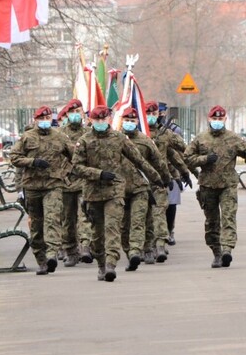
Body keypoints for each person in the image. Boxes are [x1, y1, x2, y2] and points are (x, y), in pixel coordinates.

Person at [71, 105, 163, 282]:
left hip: (114, 191)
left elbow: (138, 159)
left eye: (103, 119)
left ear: (109, 119)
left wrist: (156, 177)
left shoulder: (119, 138)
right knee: (97, 234)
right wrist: (98, 174)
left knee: (112, 228)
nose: (100, 122)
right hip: (93, 193)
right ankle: (101, 264)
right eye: (97, 119)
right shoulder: (84, 141)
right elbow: (76, 167)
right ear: (91, 120)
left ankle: (111, 265)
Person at [184, 105, 246, 268]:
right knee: (211, 222)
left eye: (220, 118)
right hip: (207, 186)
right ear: (209, 119)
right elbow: (187, 158)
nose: (217, 121)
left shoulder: (234, 139)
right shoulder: (200, 138)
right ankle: (217, 253)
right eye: (214, 118)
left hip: (228, 186)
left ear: (225, 119)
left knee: (228, 217)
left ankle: (227, 250)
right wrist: (204, 159)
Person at [8, 106, 74, 275]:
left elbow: (76, 156)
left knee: (52, 219)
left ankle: (52, 254)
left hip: (53, 185)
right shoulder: (27, 137)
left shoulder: (60, 137)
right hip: (33, 186)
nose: (45, 121)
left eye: (47, 118)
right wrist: (32, 162)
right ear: (35, 120)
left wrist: (65, 172)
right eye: (41, 119)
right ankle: (42, 260)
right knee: (37, 225)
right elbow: (14, 157)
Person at [119, 107, 170, 271]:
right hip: (119, 189)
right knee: (123, 225)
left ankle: (139, 250)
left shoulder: (145, 140)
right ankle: (131, 250)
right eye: (126, 120)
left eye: (132, 120)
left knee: (139, 220)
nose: (129, 123)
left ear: (137, 122)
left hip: (141, 188)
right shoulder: (114, 140)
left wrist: (165, 178)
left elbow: (158, 161)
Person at [146, 101, 192, 249]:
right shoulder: (137, 133)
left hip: (165, 176)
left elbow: (178, 152)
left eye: (155, 113)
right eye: (148, 113)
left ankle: (164, 237)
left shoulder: (169, 131)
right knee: (144, 213)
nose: (153, 116)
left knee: (166, 207)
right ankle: (147, 244)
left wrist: (183, 172)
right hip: (142, 179)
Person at [58, 99, 91, 266]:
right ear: (67, 114)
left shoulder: (89, 133)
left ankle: (85, 246)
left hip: (85, 181)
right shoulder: (59, 134)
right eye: (72, 112)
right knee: (67, 219)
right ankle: (71, 250)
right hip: (66, 182)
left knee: (84, 214)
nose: (76, 115)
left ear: (83, 113)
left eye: (78, 111)